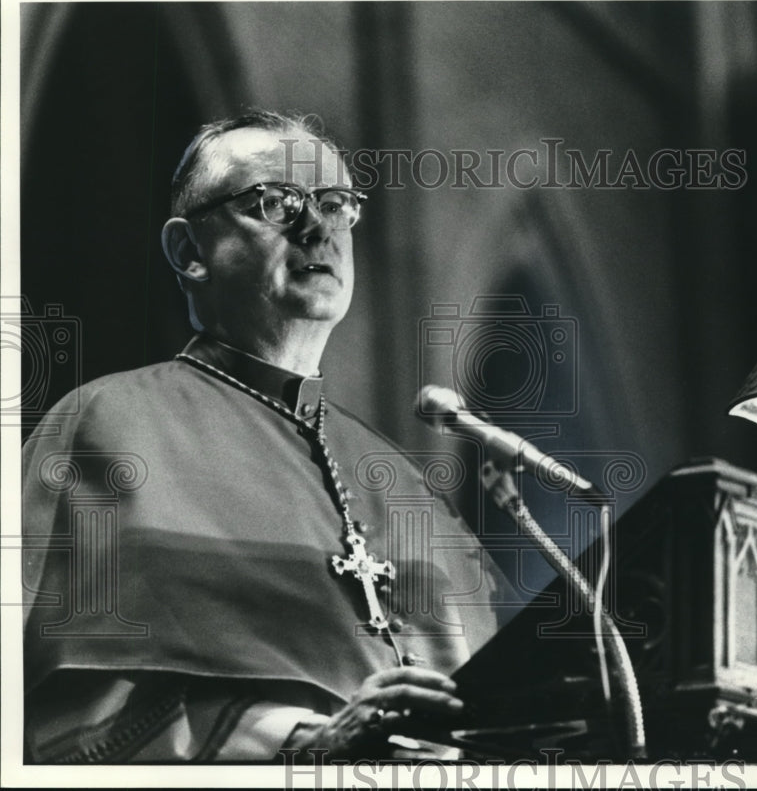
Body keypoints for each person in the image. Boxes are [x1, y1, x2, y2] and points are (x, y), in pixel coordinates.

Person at [21, 110, 507, 763]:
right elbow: (51, 712)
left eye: (337, 204)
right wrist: (300, 745)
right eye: (276, 202)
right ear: (190, 253)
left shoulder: (404, 479)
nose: (318, 227)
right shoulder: (104, 429)